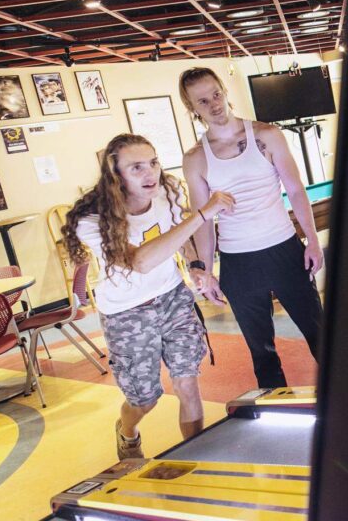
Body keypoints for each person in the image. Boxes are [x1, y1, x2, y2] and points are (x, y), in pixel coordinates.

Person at [63, 133, 235, 460]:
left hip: (172, 298)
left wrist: (196, 265)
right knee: (145, 400)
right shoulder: (94, 221)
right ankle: (127, 431)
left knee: (188, 383)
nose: (150, 173)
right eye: (137, 167)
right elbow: (139, 262)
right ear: (117, 177)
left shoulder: (167, 192)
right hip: (126, 313)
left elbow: (179, 237)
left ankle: (197, 460)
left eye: (153, 162)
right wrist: (202, 215)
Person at [178, 67, 324, 388]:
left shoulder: (267, 135)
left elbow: (296, 190)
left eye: (216, 94)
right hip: (238, 262)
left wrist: (312, 239)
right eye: (203, 101)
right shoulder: (195, 159)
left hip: (284, 249)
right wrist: (206, 269)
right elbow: (203, 220)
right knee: (262, 351)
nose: (214, 104)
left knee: (320, 334)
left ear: (225, 91)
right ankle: (277, 412)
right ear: (192, 109)